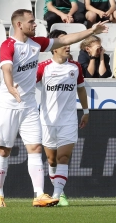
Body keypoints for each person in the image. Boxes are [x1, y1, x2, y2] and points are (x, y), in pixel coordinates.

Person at [0, 9, 108, 208]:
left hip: (29, 105)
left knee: (36, 148)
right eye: (31, 22)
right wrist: (10, 87)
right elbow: (7, 68)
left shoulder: (37, 43)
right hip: (8, 103)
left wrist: (91, 30)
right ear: (19, 25)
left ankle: (39, 194)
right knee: (4, 150)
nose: (35, 25)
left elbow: (66, 40)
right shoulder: (8, 45)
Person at [36, 30, 89, 207]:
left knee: (63, 157)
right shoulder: (43, 67)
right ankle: (60, 190)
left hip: (69, 120)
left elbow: (81, 89)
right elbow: (27, 85)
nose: (68, 45)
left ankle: (57, 195)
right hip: (47, 121)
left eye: (68, 42)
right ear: (54, 48)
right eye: (63, 42)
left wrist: (86, 111)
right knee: (51, 160)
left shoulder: (75, 67)